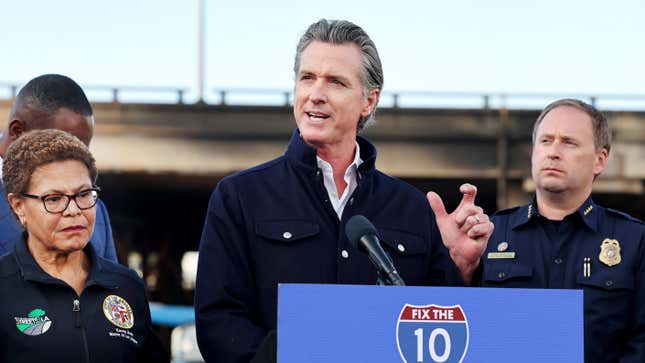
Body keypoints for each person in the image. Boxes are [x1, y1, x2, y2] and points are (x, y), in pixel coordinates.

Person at [195, 19, 493, 363]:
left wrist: (462, 270)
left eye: (336, 82)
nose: (315, 94)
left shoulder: (412, 208)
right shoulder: (239, 197)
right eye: (307, 78)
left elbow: (445, 336)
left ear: (369, 100)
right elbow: (218, 324)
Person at [481, 99, 644, 363]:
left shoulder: (635, 241)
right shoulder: (489, 234)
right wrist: (455, 261)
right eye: (546, 141)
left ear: (599, 161)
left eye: (569, 142)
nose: (553, 152)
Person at [0, 129, 167, 362]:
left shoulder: (127, 286)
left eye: (84, 194)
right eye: (54, 199)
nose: (74, 210)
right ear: (18, 205)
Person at [0, 74, 117, 261]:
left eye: (81, 150)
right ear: (18, 132)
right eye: (58, 149)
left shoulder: (96, 212)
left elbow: (111, 286)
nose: (74, 162)